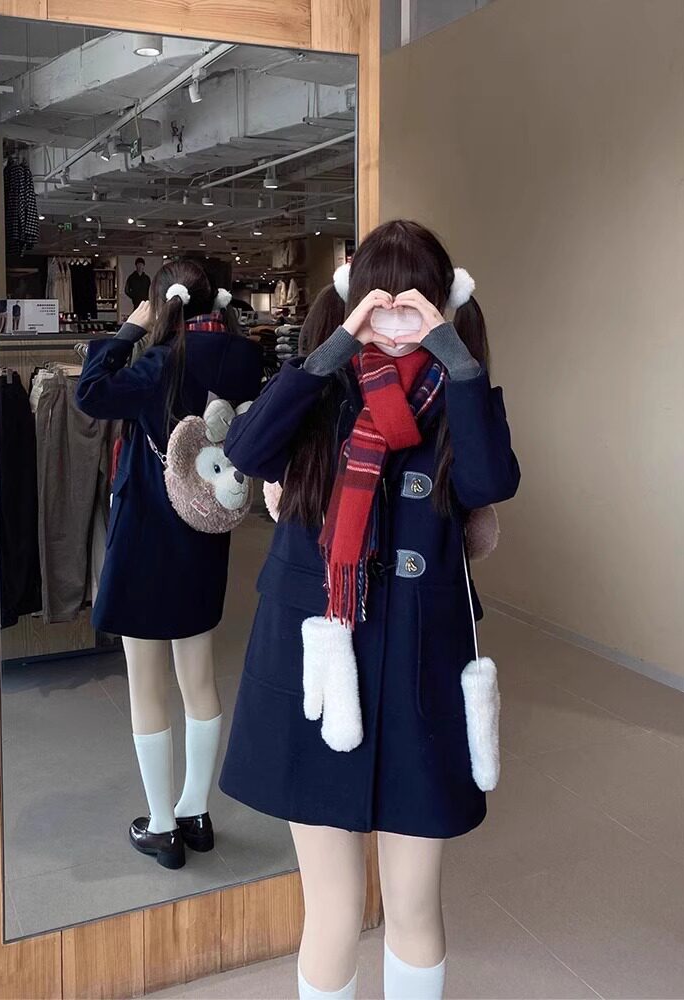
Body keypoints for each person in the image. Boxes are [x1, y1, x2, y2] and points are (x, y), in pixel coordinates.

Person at [219, 220, 520, 999]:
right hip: (319, 669)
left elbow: (489, 482)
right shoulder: (321, 388)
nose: (392, 317)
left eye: (410, 301)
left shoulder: (459, 394)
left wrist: (454, 354)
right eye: (377, 301)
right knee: (332, 909)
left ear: (443, 303)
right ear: (353, 302)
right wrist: (332, 347)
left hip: (420, 666)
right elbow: (247, 452)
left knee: (414, 907)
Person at [76, 260, 263, 870]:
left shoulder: (160, 363)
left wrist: (130, 330)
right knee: (199, 678)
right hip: (203, 537)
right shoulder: (243, 357)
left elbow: (90, 393)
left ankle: (161, 827)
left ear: (164, 303)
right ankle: (196, 813)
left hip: (146, 539)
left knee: (146, 683)